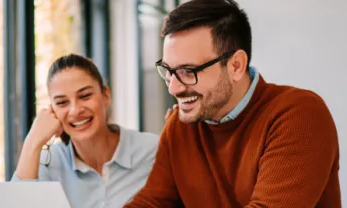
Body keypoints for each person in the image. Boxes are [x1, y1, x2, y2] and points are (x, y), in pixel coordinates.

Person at [124, 0, 341, 207]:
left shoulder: (299, 115)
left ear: (236, 66)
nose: (173, 88)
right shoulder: (181, 125)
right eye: (169, 71)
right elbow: (152, 202)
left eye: (188, 72)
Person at [11, 54, 159, 208]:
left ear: (105, 96)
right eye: (62, 103)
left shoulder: (153, 151)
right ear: (52, 111)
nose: (75, 110)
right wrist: (33, 141)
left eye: (85, 96)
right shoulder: (48, 163)